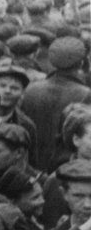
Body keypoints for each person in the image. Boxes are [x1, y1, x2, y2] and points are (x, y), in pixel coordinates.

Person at [22, 37, 91, 172]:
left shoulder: (31, 89)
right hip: (68, 168)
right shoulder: (86, 94)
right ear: (81, 63)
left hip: (33, 166)